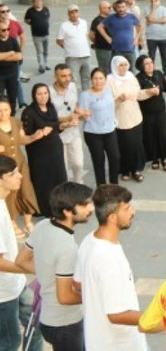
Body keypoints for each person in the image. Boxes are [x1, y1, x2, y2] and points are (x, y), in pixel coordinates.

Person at [16, 182, 94, 350]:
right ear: (67, 211)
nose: (91, 208)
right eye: (84, 204)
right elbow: (65, 297)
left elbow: (21, 261)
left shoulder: (43, 225)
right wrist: (94, 296)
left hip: (47, 319)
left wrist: (47, 272)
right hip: (66, 324)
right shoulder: (67, 247)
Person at [74, 185, 147, 350]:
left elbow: (78, 284)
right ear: (112, 218)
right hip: (119, 344)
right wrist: (161, 319)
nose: (133, 212)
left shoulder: (89, 240)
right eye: (127, 208)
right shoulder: (107, 258)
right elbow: (116, 315)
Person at [0, 155, 40, 351]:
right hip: (3, 292)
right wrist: (34, 267)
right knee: (9, 341)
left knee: (36, 324)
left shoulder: (3, 201)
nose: (19, 177)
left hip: (17, 283)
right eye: (12, 174)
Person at [22, 83, 66, 217]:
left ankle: (59, 206)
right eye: (39, 94)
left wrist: (65, 125)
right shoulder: (29, 112)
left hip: (55, 149)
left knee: (58, 177)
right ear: (34, 96)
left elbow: (56, 126)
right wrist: (38, 133)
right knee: (43, 181)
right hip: (39, 153)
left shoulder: (51, 107)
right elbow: (25, 135)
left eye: (45, 93)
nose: (43, 97)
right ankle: (44, 209)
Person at [0, 96, 39, 237]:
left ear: (10, 109)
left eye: (5, 109)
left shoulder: (16, 122)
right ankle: (12, 222)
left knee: (26, 189)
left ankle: (29, 222)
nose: (2, 113)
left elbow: (22, 139)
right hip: (4, 167)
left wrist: (34, 136)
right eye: (0, 111)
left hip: (20, 162)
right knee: (9, 194)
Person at [107, 56, 147, 182]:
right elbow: (107, 103)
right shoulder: (109, 80)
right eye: (120, 65)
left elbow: (138, 94)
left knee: (136, 144)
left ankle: (136, 169)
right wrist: (118, 100)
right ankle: (125, 169)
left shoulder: (131, 76)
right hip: (120, 118)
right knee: (124, 145)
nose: (124, 68)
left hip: (135, 116)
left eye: (125, 64)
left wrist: (149, 92)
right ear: (115, 67)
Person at [77, 68, 119, 186]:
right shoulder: (85, 95)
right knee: (99, 161)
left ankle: (114, 184)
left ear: (105, 80)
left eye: (101, 78)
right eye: (95, 78)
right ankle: (101, 187)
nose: (98, 81)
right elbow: (82, 115)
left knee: (115, 157)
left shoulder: (108, 90)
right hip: (93, 133)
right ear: (91, 80)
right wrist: (83, 114)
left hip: (110, 130)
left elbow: (111, 106)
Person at [135, 55, 166, 171]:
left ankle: (164, 158)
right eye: (146, 64)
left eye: (151, 62)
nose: (150, 65)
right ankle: (154, 158)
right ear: (141, 66)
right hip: (146, 111)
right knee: (150, 134)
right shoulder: (139, 78)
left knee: (162, 133)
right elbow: (137, 94)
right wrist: (149, 92)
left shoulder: (158, 74)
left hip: (160, 110)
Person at [49, 64, 83, 182]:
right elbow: (48, 118)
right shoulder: (48, 93)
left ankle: (79, 186)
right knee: (62, 168)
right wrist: (67, 119)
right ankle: (66, 192)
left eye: (69, 75)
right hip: (58, 135)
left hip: (73, 132)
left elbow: (74, 105)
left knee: (78, 164)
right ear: (56, 77)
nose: (68, 79)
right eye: (63, 76)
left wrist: (80, 112)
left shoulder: (72, 86)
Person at [56, 4, 91, 91]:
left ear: (79, 13)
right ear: (68, 14)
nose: (74, 14)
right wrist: (68, 47)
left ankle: (86, 97)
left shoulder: (84, 22)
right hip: (72, 57)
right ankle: (73, 98)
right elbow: (59, 41)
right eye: (72, 12)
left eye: (76, 12)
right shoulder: (64, 26)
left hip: (86, 55)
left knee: (86, 78)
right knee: (72, 80)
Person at [99, 0, 141, 70]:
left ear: (126, 7)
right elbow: (100, 27)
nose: (121, 9)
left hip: (130, 49)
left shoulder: (131, 17)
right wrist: (107, 38)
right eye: (119, 7)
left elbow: (140, 26)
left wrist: (137, 38)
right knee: (116, 70)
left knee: (131, 71)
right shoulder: (111, 18)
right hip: (117, 50)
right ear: (116, 8)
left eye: (123, 7)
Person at [143, 0, 166, 74]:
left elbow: (164, 20)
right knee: (151, 56)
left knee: (164, 56)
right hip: (151, 37)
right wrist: (154, 8)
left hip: (162, 36)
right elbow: (149, 18)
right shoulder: (147, 8)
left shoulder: (164, 9)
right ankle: (151, 72)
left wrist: (153, 21)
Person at [0, 18, 22, 113]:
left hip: (12, 73)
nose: (7, 31)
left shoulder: (13, 40)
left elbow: (19, 56)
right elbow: (14, 54)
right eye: (3, 30)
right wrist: (11, 53)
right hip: (0, 74)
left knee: (12, 95)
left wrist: (3, 57)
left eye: (8, 29)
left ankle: (12, 113)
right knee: (0, 96)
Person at [24, 0, 50, 74]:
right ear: (33, 2)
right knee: (39, 51)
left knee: (46, 51)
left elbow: (48, 17)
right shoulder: (30, 11)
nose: (38, 2)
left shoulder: (45, 9)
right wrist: (33, 23)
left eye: (39, 0)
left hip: (46, 34)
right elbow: (26, 20)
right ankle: (41, 65)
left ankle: (45, 64)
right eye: (36, 1)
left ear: (42, 1)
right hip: (36, 35)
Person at [89, 1, 113, 75]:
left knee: (112, 68)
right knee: (105, 69)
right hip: (103, 49)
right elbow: (91, 35)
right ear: (102, 9)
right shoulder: (97, 20)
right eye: (109, 8)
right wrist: (98, 42)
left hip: (112, 48)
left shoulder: (110, 18)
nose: (111, 9)